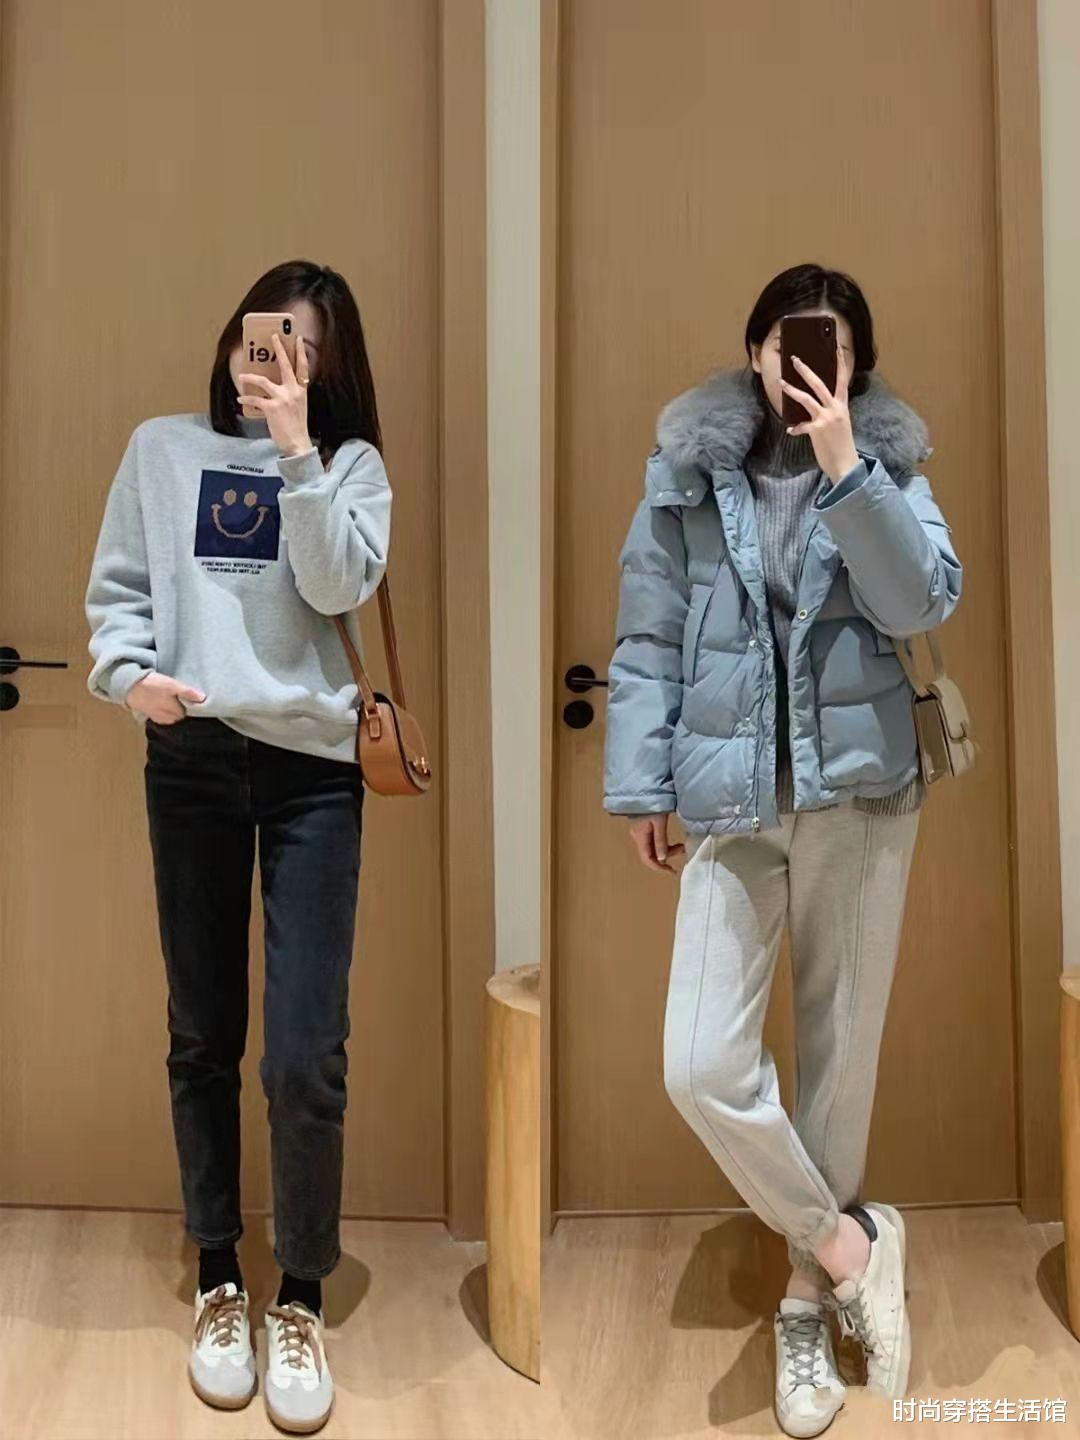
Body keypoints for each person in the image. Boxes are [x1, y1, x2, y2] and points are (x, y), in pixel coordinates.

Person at [602, 263, 962, 1437]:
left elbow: (920, 603)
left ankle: (807, 1302)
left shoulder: (889, 464)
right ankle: (851, 1245)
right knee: (699, 1064)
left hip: (862, 799)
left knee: (836, 1062)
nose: (809, 364)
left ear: (859, 364)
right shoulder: (687, 472)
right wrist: (644, 781)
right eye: (790, 343)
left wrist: (849, 463)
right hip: (732, 802)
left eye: (835, 349)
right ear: (755, 349)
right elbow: (648, 634)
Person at [84, 258, 391, 1435]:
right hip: (193, 758)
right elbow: (119, 590)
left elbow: (337, 585)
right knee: (202, 1032)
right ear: (233, 339)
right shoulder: (162, 450)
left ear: (331, 369)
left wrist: (299, 451)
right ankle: (219, 1274)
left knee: (305, 1054)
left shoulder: (351, 469)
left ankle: (299, 1291)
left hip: (314, 772)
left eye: (305, 351)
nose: (278, 363)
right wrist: (129, 679)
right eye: (268, 340)